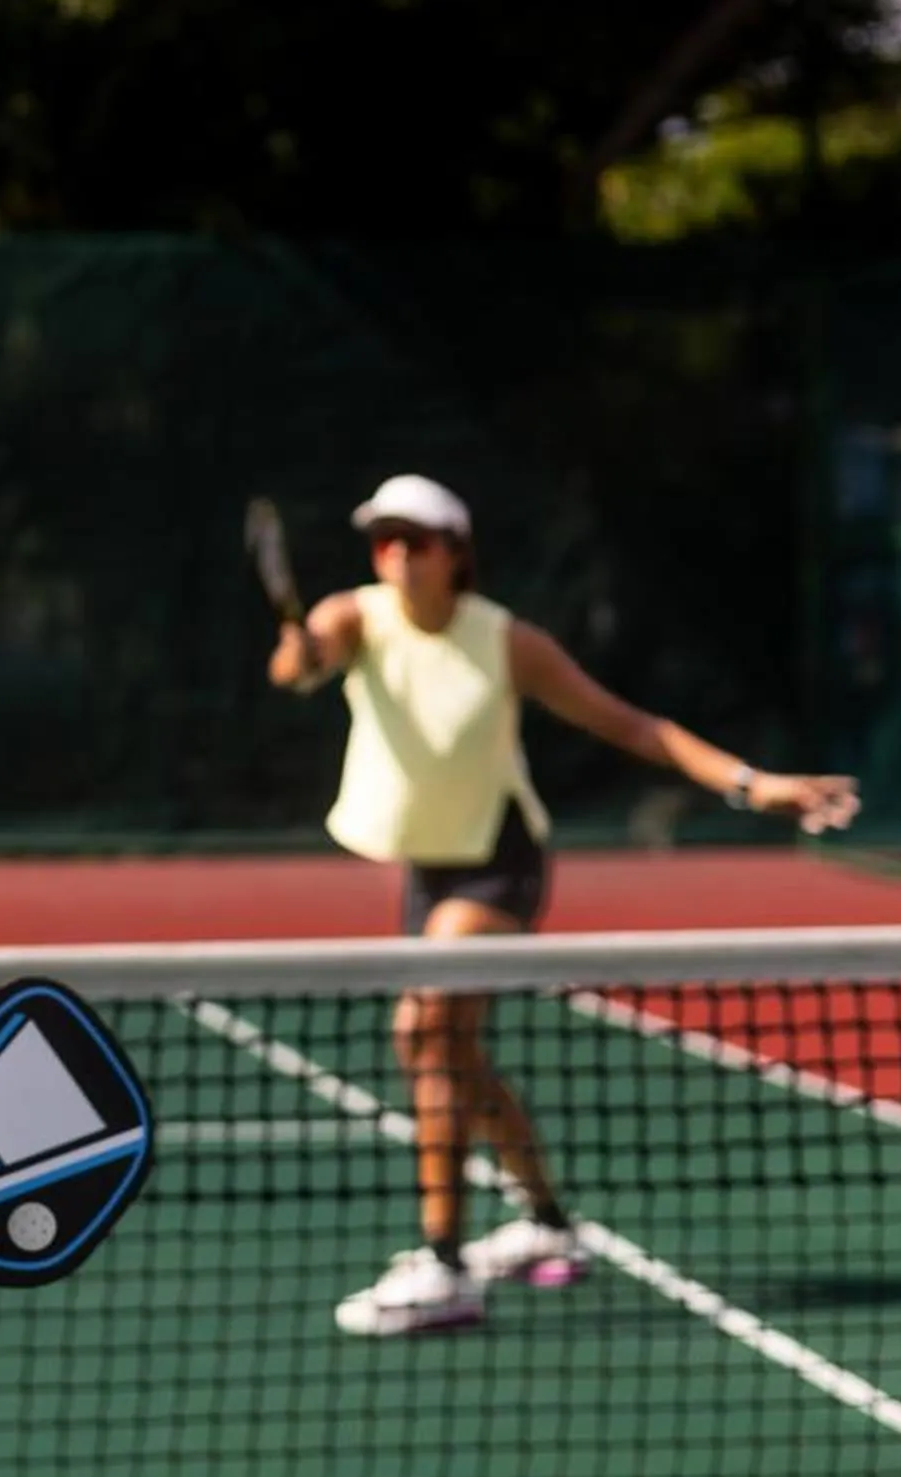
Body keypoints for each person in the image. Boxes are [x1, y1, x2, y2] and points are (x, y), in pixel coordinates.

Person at [269, 473, 858, 1337]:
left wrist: (751, 783)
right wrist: (299, 655)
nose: (396, 554)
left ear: (455, 553)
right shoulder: (354, 616)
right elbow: (300, 663)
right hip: (427, 872)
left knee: (423, 1028)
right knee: (452, 1049)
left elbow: (633, 726)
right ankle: (546, 1221)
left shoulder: (507, 641)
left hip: (497, 865)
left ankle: (444, 1266)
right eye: (383, 539)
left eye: (415, 540)